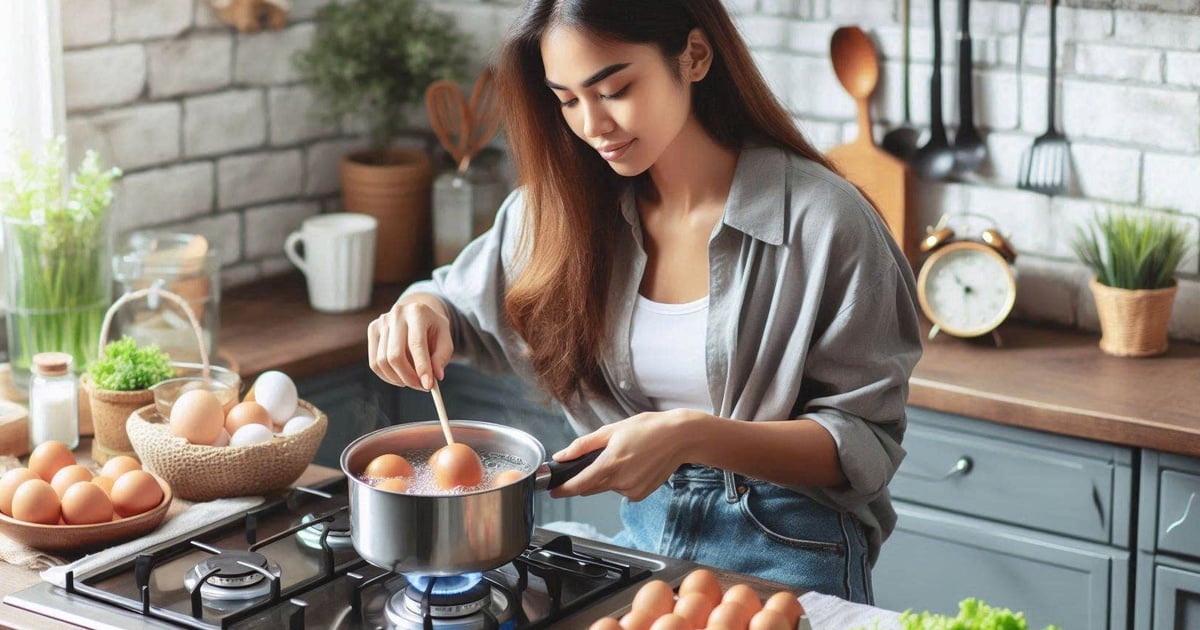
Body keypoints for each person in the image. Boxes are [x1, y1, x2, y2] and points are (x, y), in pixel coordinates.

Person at [367, 0, 922, 603]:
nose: (592, 125)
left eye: (615, 88)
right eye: (568, 100)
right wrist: (421, 309)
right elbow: (455, 303)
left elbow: (862, 444)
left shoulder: (825, 221)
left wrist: (690, 436)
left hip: (790, 551)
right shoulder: (557, 214)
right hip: (644, 544)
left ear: (695, 56)